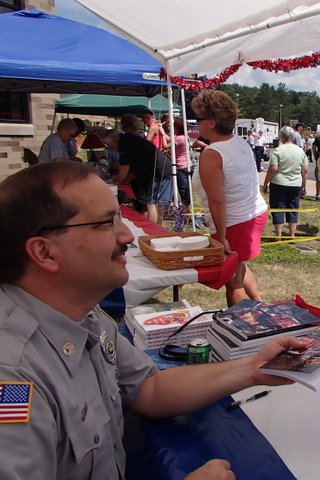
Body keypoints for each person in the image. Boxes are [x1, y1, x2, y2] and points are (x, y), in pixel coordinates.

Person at [0, 161, 304, 479]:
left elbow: (149, 388)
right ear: (44, 253)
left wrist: (253, 367)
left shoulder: (80, 314)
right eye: (105, 223)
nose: (126, 235)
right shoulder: (13, 373)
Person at [191, 90, 268, 307]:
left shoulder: (212, 155)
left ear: (212, 123)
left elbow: (217, 201)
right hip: (251, 214)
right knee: (238, 265)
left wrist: (222, 236)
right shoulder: (240, 143)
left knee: (232, 282)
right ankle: (261, 305)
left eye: (199, 119)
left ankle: (243, 329)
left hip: (233, 222)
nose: (197, 124)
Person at [102, 114, 172, 224]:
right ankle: (158, 227)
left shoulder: (125, 142)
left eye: (109, 145)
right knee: (155, 202)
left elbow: (124, 166)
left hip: (158, 170)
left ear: (114, 141)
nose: (110, 148)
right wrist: (122, 178)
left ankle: (154, 228)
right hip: (159, 168)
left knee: (151, 202)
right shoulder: (130, 140)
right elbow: (134, 169)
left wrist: (117, 180)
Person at [262, 126, 309, 239]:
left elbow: (273, 168)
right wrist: (303, 185)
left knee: (278, 208)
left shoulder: (278, 150)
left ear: (281, 136)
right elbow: (305, 170)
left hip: (279, 183)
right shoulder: (300, 151)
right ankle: (291, 235)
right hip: (295, 184)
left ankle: (278, 235)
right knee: (293, 208)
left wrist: (265, 183)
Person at [172, 118, 194, 213]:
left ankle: (188, 212)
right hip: (187, 165)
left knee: (184, 192)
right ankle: (188, 211)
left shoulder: (179, 138)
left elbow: (166, 145)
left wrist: (163, 134)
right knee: (186, 191)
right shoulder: (185, 137)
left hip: (181, 167)